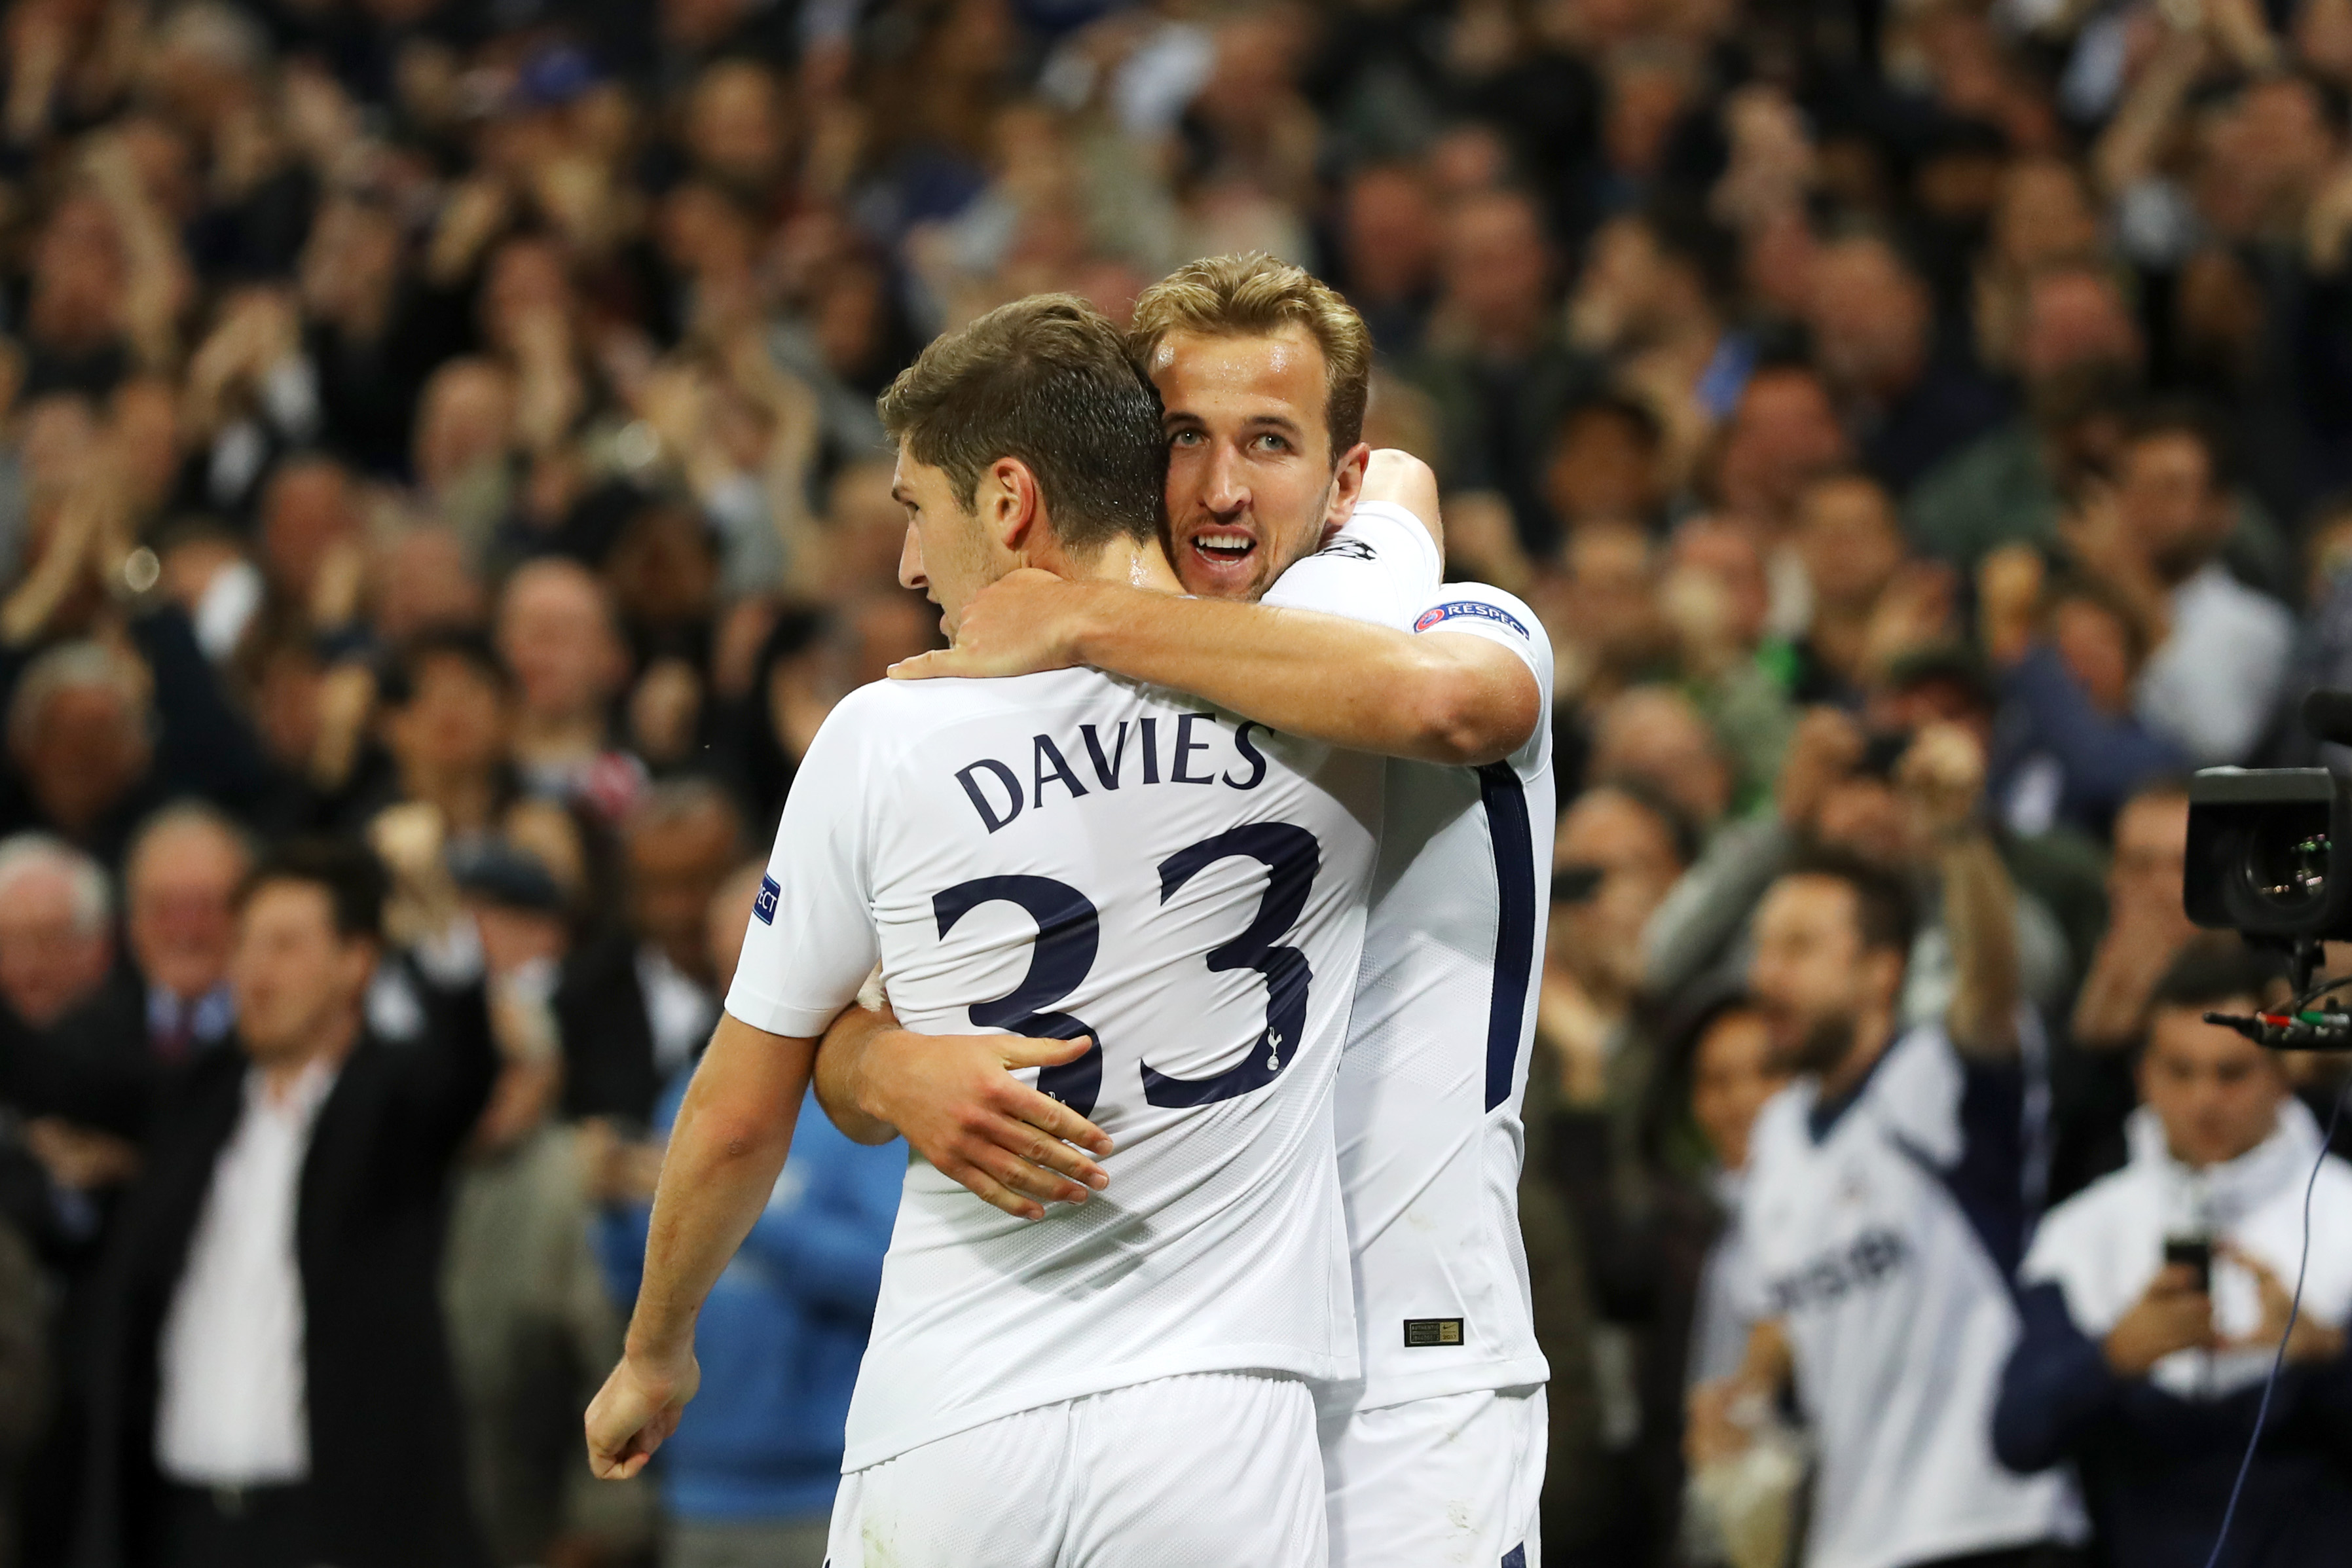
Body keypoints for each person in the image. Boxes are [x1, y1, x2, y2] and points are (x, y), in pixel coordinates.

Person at [584, 293, 1395, 1565]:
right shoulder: (1344, 689)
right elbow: (1407, 526)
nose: (910, 567)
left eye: (918, 509)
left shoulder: (881, 733)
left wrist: (654, 1348)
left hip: (950, 1413)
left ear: (1008, 502)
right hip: (1219, 1420)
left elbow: (739, 1113)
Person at [876, 255, 1556, 1565]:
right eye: (1184, 438)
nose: (1221, 489)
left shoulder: (1451, 619)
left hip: (1409, 1381)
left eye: (1269, 443)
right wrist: (887, 1065)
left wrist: (1075, 618)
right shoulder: (1088, 717)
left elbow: (1447, 705)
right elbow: (848, 1027)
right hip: (1170, 1399)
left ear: (1344, 479)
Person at [1689, 746, 2086, 1568]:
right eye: (1763, 948)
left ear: (1881, 969)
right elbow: (1782, 1313)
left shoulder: (1935, 1078)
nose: (1766, 976)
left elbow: (1991, 989)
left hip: (1994, 1527)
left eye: (1798, 947)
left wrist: (1959, 839)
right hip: (1849, 1542)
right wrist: (1740, 1402)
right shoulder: (1778, 1132)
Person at [81, 837, 497, 1568]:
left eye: (284, 945)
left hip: (331, 1533)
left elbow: (466, 1065)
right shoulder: (195, 1102)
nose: (254, 970)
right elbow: (64, 1076)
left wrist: (442, 925)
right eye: (243, 943)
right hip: (181, 1528)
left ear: (354, 962)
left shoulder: (392, 1104)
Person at [1995, 940, 2352, 1567]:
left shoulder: (2344, 1213)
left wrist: (2325, 1359)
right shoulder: (2082, 1233)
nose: (2203, 1100)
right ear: (2144, 1075)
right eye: (2179, 1070)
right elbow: (2015, 1436)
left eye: (2231, 1072)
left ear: (2282, 1071)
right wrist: (2113, 1358)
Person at [600, 860, 902, 1568]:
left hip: (827, 1487)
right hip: (695, 1490)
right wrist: (615, 1211)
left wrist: (736, 1207)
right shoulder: (689, 1092)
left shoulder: (868, 1095)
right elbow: (638, 1288)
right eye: (730, 956)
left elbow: (889, 1272)